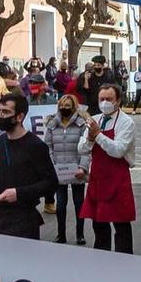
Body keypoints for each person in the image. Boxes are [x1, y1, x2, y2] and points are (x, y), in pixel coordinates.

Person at [0, 90, 57, 240]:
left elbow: (51, 183)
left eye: (6, 112)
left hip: (24, 219)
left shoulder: (35, 145)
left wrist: (19, 193)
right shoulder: (0, 142)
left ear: (20, 116)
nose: (0, 115)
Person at [79, 83, 137, 252]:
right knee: (99, 225)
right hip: (97, 179)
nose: (105, 102)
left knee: (121, 225)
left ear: (118, 101)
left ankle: (124, 261)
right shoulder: (95, 120)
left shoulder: (126, 123)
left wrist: (97, 135)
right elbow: (81, 149)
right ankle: (101, 260)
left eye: (109, 99)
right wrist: (90, 139)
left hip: (117, 179)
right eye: (101, 99)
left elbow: (118, 150)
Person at [46, 93, 90, 245]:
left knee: (79, 204)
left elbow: (87, 149)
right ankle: (61, 235)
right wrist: (52, 166)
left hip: (77, 170)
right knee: (60, 204)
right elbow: (48, 147)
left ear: (74, 108)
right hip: (59, 171)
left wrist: (82, 168)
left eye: (68, 106)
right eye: (62, 106)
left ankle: (80, 234)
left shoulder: (81, 124)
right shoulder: (52, 124)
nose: (64, 109)